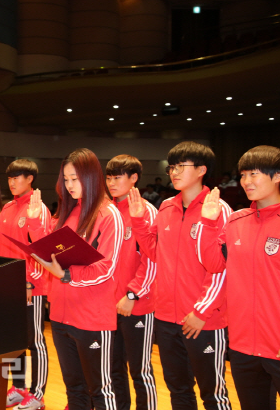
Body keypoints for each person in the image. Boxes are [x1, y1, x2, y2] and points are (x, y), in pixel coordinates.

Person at [127, 141, 232, 410]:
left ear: (201, 170)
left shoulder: (218, 210)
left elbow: (224, 268)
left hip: (202, 319)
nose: (173, 172)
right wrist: (139, 220)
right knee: (179, 390)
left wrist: (201, 310)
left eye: (180, 166)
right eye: (171, 167)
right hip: (165, 317)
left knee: (213, 394)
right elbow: (154, 253)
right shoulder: (166, 207)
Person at [196, 145, 280, 409]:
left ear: (277, 176)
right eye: (242, 175)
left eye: (254, 174)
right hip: (242, 346)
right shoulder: (236, 221)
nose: (246, 182)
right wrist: (208, 223)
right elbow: (213, 264)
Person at [32, 148, 122, 410]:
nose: (70, 186)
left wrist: (67, 274)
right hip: (61, 315)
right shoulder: (68, 213)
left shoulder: (108, 215)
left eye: (75, 179)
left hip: (92, 318)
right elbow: (46, 249)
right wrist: (38, 223)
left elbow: (105, 267)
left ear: (91, 177)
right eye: (66, 180)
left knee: (101, 391)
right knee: (75, 390)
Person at [0, 159, 52, 410]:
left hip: (31, 287)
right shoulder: (7, 208)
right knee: (16, 340)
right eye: (10, 177)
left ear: (30, 178)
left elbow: (43, 251)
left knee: (35, 340)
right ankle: (18, 388)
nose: (13, 182)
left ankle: (37, 394)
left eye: (18, 177)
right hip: (9, 287)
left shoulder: (38, 208)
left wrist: (29, 283)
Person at [106, 155, 159, 410]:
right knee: (114, 368)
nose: (111, 182)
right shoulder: (107, 211)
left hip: (137, 303)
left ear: (134, 178)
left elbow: (154, 259)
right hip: (107, 304)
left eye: (118, 177)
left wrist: (132, 295)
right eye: (108, 177)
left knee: (140, 370)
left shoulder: (147, 211)